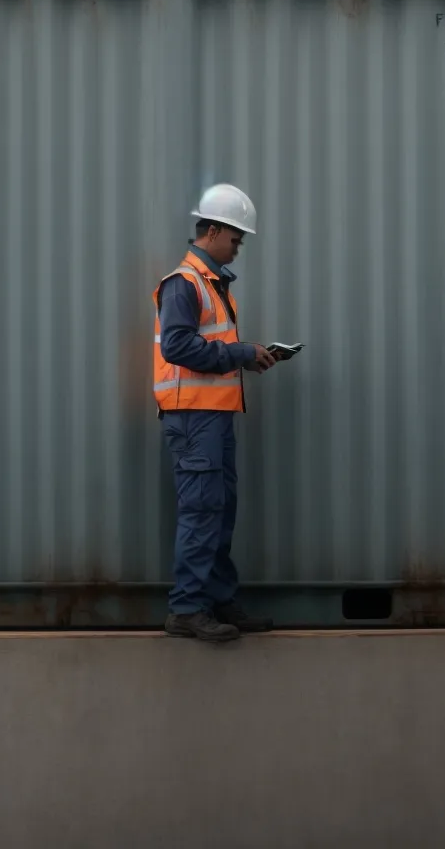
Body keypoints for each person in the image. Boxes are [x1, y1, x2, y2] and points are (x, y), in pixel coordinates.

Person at [152, 184, 279, 643]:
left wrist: (247, 356)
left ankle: (218, 599)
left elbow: (211, 347)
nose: (239, 247)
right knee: (202, 511)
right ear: (214, 230)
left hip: (214, 417)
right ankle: (187, 608)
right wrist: (241, 353)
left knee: (219, 512)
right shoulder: (183, 285)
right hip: (194, 418)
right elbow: (179, 346)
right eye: (237, 238)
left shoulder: (210, 285)